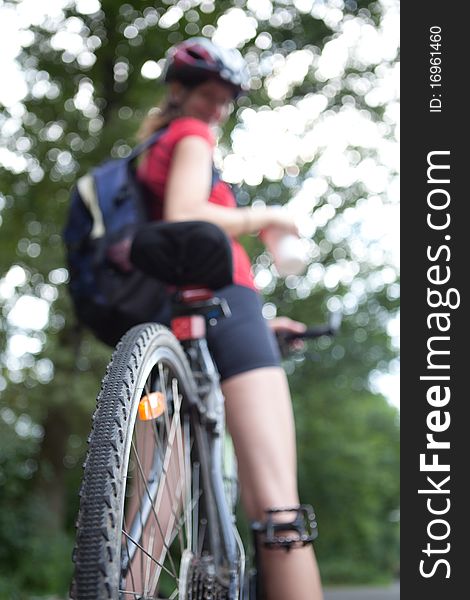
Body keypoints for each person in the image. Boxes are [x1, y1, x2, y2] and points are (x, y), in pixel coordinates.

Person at [133, 37, 323, 600]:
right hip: (228, 301)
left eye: (225, 101)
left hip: (168, 317)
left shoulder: (152, 150)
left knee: (150, 504)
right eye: (211, 95)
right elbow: (187, 214)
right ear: (182, 92)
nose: (218, 109)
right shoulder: (192, 136)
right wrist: (271, 214)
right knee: (277, 506)